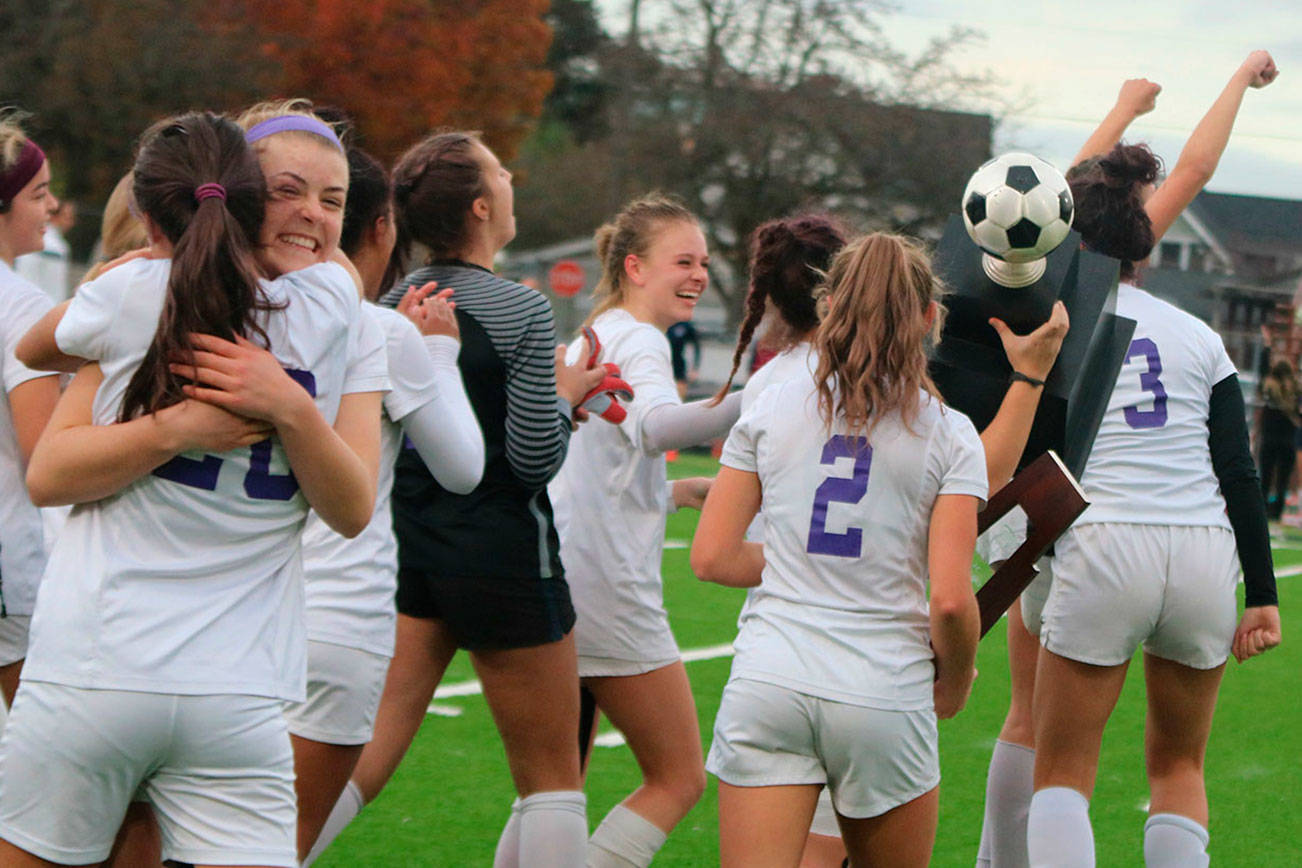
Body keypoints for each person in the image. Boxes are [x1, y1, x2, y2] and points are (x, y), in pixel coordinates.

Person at [0, 110, 384, 868]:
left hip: (97, 665)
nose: (312, 213)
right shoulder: (340, 309)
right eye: (289, 191)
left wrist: (285, 406)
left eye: (334, 200)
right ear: (241, 196)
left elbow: (40, 409)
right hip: (235, 691)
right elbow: (352, 508)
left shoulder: (138, 292)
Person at [314, 130, 604, 868]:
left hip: (410, 545)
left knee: (364, 753)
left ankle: (271, 853)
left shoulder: (387, 302)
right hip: (503, 550)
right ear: (482, 207)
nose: (513, 177)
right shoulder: (521, 309)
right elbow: (535, 459)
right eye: (501, 170)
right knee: (552, 779)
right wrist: (566, 396)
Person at [1026, 51, 1281, 868]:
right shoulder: (1201, 335)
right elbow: (1240, 474)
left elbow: (1058, 194)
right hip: (1204, 551)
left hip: (1104, 540)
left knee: (1061, 769)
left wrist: (1125, 108)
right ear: (1146, 239)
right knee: (1179, 768)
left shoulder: (1052, 312)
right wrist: (1263, 595)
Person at [691, 232, 985, 868]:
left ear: (828, 307)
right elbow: (953, 602)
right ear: (931, 318)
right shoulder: (951, 434)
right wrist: (958, 679)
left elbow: (712, 557)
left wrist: (806, 561)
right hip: (882, 693)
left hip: (771, 680)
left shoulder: (770, 403)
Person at [973, 76, 1163, 868]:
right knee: (1054, 738)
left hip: (1017, 501)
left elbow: (1046, 193)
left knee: (1022, 712)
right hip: (1076, 517)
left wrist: (1123, 111)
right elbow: (1186, 177)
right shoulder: (1114, 296)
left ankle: (994, 861)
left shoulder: (1031, 274)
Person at [289, 142, 485, 863]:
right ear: (381, 229)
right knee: (275, 849)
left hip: (223, 615)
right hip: (338, 616)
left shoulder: (229, 312)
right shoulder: (383, 330)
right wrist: (437, 353)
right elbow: (463, 467)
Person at [549, 193, 739, 867]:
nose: (697, 276)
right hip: (607, 590)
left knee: (553, 793)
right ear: (634, 266)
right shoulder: (642, 337)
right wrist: (763, 397)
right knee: (679, 777)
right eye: (682, 262)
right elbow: (659, 427)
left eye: (704, 263)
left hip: (559, 579)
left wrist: (676, 490)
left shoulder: (595, 332)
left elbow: (601, 465)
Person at [0, 110, 61, 706]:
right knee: (46, 752)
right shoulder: (20, 306)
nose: (51, 205)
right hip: (7, 564)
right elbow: (45, 456)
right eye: (38, 193)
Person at [1255, 358, 1298, 521]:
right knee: (1283, 478)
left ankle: (1263, 509)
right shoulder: (1294, 389)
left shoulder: (1268, 387)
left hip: (1270, 438)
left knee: (1266, 475)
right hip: (1288, 439)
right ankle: (1277, 511)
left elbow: (1262, 374)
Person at [16, 197, 74, 302]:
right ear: (54, 217)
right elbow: (56, 287)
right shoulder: (56, 247)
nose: (71, 223)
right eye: (67, 217)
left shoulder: (31, 238)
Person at [666, 318, 701, 398]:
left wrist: (694, 368)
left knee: (679, 393)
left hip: (678, 364)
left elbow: (696, 346)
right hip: (662, 363)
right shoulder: (663, 322)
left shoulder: (684, 325)